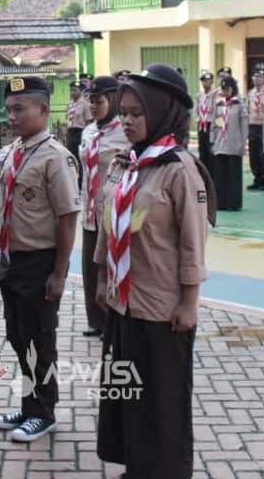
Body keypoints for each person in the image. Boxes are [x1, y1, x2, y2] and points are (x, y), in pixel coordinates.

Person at [93, 63, 208, 479]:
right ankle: (137, 466)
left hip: (162, 309)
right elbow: (109, 227)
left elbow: (193, 243)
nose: (126, 120)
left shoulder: (179, 169)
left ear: (162, 112)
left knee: (161, 399)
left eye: (136, 113)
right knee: (128, 392)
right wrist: (104, 279)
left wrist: (189, 301)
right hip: (124, 303)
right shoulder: (125, 163)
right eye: (122, 112)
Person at [0, 76, 79, 443]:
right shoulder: (14, 152)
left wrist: (59, 274)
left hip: (40, 262)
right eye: (9, 109)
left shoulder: (55, 158)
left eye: (20, 109)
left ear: (43, 110)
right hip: (12, 261)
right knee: (18, 335)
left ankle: (44, 412)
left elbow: (67, 217)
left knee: (39, 340)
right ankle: (29, 406)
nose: (11, 116)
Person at [78, 75, 127, 339]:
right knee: (89, 266)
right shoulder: (88, 131)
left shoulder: (125, 132)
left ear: (113, 99)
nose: (94, 106)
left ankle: (113, 320)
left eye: (99, 101)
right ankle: (95, 320)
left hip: (113, 211)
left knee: (111, 265)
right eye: (91, 101)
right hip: (89, 212)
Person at [211, 75, 248, 211]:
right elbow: (214, 124)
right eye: (223, 89)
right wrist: (213, 141)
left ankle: (234, 203)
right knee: (220, 175)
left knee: (234, 176)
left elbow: (244, 126)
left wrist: (242, 143)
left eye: (228, 89)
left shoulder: (239, 105)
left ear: (233, 89)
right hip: (220, 143)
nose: (225, 92)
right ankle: (221, 202)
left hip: (234, 144)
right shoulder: (219, 104)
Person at [66, 81, 93, 185]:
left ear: (81, 91)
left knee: (79, 158)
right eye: (71, 90)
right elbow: (68, 120)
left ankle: (80, 182)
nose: (72, 92)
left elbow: (89, 121)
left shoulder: (85, 104)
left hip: (80, 133)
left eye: (75, 90)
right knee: (71, 158)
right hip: (71, 132)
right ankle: (73, 181)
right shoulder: (70, 104)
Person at [247, 70, 264, 190]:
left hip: (263, 125)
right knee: (253, 153)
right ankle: (257, 178)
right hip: (252, 124)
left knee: (262, 154)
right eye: (254, 76)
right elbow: (247, 109)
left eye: (259, 77)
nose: (256, 79)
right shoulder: (251, 93)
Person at [195, 71, 216, 175]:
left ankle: (212, 173)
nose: (206, 83)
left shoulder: (216, 94)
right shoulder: (199, 95)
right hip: (201, 124)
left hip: (210, 124)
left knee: (210, 150)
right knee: (202, 149)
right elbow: (197, 110)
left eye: (208, 80)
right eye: (203, 81)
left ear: (212, 81)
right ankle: (203, 172)